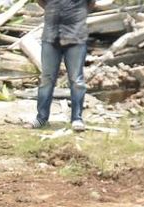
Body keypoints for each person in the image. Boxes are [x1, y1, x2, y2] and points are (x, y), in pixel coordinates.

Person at [30, 0, 95, 131]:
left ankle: (77, 119)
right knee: (46, 79)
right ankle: (41, 119)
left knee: (76, 80)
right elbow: (41, 2)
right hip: (51, 35)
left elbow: (91, 3)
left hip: (75, 35)